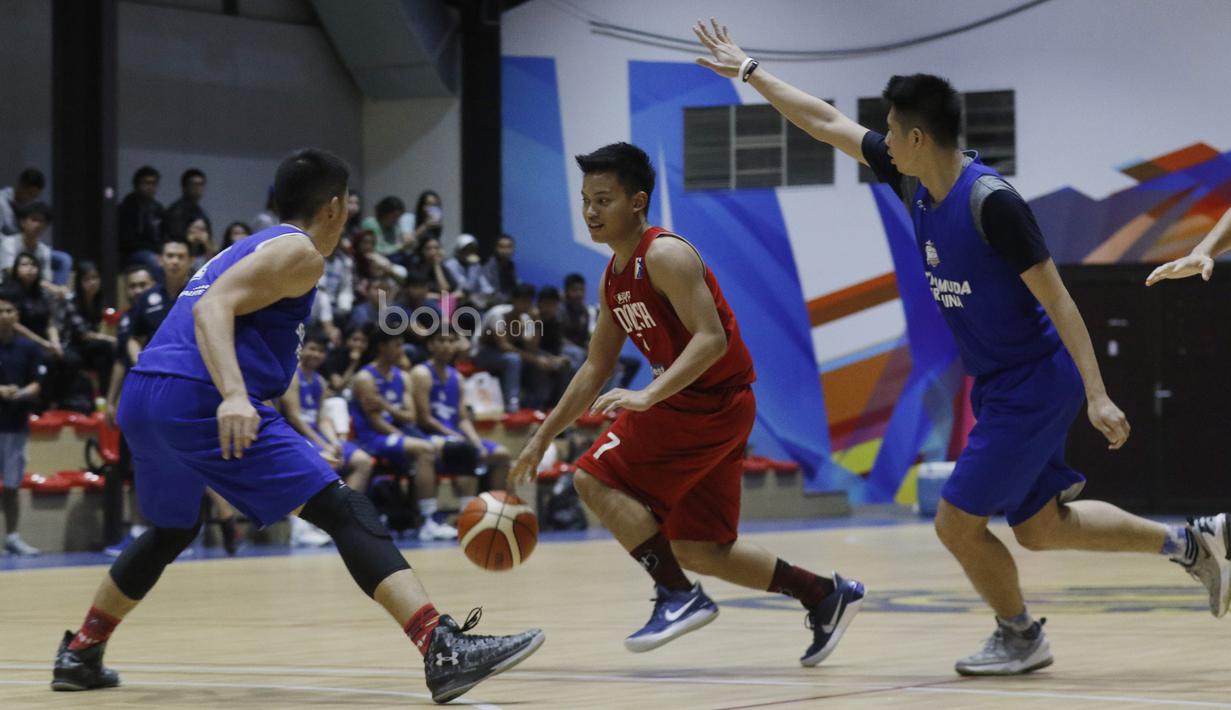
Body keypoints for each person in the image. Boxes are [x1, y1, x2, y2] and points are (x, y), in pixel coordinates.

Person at [693, 18, 1231, 674]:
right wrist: (749, 70)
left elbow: (1059, 299)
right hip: (1004, 384)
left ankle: (1018, 634)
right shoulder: (913, 177)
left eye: (891, 130)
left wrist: (1097, 394)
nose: (882, 141)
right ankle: (1189, 544)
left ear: (917, 137)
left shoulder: (990, 204)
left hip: (1032, 383)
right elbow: (824, 122)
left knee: (954, 523)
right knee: (1037, 528)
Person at [52, 149, 543, 701]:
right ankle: (440, 646)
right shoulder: (300, 251)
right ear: (335, 207)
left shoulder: (251, 246)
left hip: (146, 397)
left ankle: (82, 651)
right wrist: (234, 395)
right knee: (343, 508)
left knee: (172, 527)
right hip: (200, 397)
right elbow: (212, 309)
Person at [510, 142, 863, 664]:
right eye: (585, 199)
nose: (590, 211)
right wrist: (542, 436)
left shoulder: (665, 254)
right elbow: (595, 367)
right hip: (711, 407)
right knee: (699, 548)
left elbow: (711, 339)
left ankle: (678, 596)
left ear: (638, 201)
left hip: (702, 403)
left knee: (592, 476)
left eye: (603, 199)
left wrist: (649, 393)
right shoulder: (614, 278)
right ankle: (823, 595)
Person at [350, 328, 464, 542]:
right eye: (397, 345)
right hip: (372, 439)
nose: (402, 351)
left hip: (396, 435)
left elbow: (410, 416)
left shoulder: (402, 376)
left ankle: (436, 515)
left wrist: (387, 406)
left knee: (445, 448)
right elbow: (376, 422)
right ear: (382, 347)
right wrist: (404, 437)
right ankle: (427, 520)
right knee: (425, 449)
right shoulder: (365, 378)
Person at [281, 331, 374, 547]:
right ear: (301, 349)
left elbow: (322, 418)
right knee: (325, 459)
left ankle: (343, 518)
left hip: (316, 434)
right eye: (312, 348)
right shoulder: (292, 375)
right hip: (294, 434)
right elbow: (295, 417)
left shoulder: (320, 381)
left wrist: (333, 441)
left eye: (321, 351)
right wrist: (324, 445)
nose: (316, 354)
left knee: (363, 461)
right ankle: (305, 526)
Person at [412, 330, 512, 492]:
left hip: (455, 437)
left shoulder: (457, 377)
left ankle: (499, 507)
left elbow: (462, 418)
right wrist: (457, 437)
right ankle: (457, 510)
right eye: (441, 340)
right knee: (465, 451)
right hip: (428, 436)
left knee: (502, 454)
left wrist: (476, 442)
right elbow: (423, 418)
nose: (447, 346)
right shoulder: (421, 373)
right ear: (430, 345)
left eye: (451, 341)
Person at [0, 291, 45, 556]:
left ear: (17, 316)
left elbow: (37, 385)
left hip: (16, 426)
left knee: (12, 486)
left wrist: (20, 393)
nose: (5, 316)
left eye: (9, 311)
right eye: (1, 310)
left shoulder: (29, 348)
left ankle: (13, 537)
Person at [117, 166, 165, 279]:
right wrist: (156, 252)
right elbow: (127, 240)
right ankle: (161, 294)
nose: (150, 187)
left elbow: (165, 235)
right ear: (137, 185)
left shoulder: (158, 209)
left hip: (157, 251)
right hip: (133, 253)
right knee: (153, 260)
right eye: (146, 183)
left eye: (154, 183)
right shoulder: (126, 208)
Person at [161, 169, 211, 246]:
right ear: (184, 187)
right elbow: (174, 238)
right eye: (194, 184)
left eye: (201, 184)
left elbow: (208, 236)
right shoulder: (176, 210)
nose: (198, 188)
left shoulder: (201, 212)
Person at [0, 168, 45, 236]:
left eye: (35, 196)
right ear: (20, 186)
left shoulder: (31, 206)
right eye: (30, 194)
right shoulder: (2, 202)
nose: (31, 199)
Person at [481, 234, 518, 304]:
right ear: (495, 248)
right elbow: (489, 293)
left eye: (509, 247)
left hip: (507, 304)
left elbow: (514, 288)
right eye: (502, 247)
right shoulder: (488, 267)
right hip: (490, 305)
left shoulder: (511, 266)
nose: (505, 250)